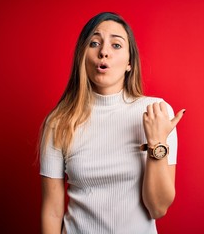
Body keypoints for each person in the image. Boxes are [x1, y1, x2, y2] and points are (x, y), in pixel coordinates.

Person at [39, 12, 185, 234]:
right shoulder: (59, 122)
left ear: (129, 62)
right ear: (82, 56)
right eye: (94, 43)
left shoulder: (156, 112)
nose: (104, 52)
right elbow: (52, 211)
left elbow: (158, 208)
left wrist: (156, 143)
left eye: (116, 45)